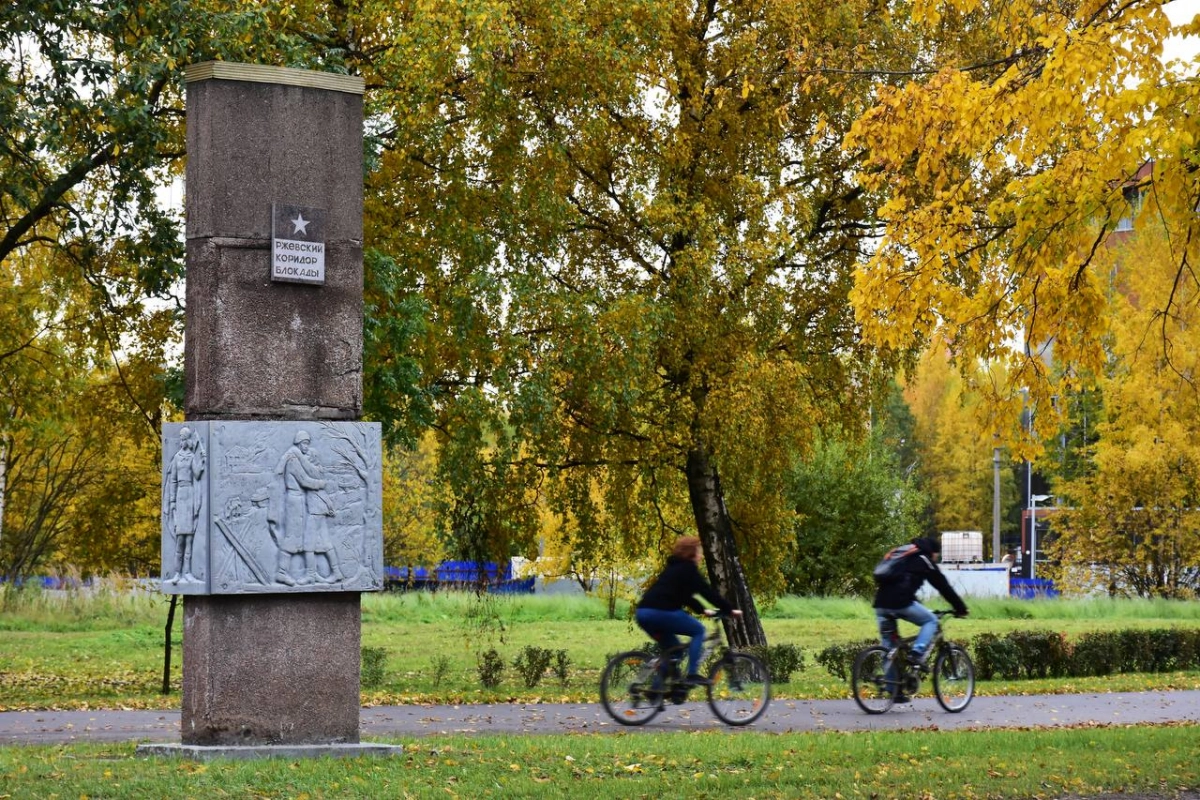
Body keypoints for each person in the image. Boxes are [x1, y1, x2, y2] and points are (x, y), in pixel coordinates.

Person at [635, 536, 742, 686]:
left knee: (675, 651)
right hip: (661, 612)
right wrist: (729, 610)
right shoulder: (688, 568)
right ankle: (692, 674)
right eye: (699, 552)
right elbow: (707, 592)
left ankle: (655, 690)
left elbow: (686, 596)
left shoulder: (674, 568)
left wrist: (702, 610)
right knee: (698, 630)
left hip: (643, 614)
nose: (701, 556)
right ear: (692, 553)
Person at [873, 536, 968, 685]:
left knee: (889, 648)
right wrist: (960, 608)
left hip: (880, 604)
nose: (936, 558)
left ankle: (893, 690)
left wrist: (921, 606)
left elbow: (902, 586)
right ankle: (916, 654)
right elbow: (943, 586)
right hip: (900, 602)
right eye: (937, 555)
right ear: (934, 552)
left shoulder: (904, 555)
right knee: (931, 620)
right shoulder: (924, 559)